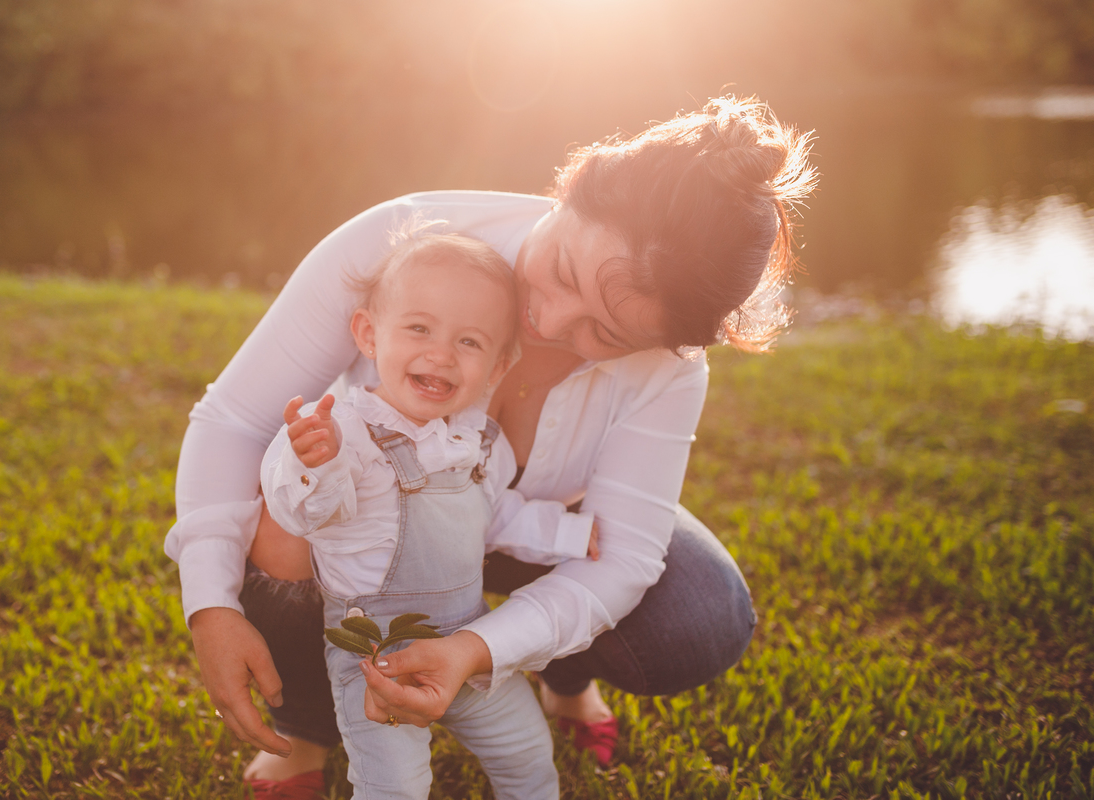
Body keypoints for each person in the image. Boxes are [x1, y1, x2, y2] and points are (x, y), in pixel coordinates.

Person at [164, 96, 816, 799]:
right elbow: (233, 421)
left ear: (665, 341)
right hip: (369, 531)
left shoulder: (672, 367)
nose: (551, 319)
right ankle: (306, 731)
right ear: (570, 187)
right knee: (278, 522)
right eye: (563, 269)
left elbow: (625, 555)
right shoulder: (397, 239)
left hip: (532, 527)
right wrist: (212, 605)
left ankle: (564, 683)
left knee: (699, 614)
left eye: (608, 334)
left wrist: (476, 651)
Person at [252, 232, 597, 799]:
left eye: (469, 341)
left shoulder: (476, 440)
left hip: (471, 641)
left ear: (498, 364)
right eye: (418, 328)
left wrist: (567, 532)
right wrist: (318, 461)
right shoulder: (342, 430)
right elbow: (308, 512)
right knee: (394, 783)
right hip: (374, 655)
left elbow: (495, 515)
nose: (440, 354)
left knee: (527, 751)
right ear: (368, 334)